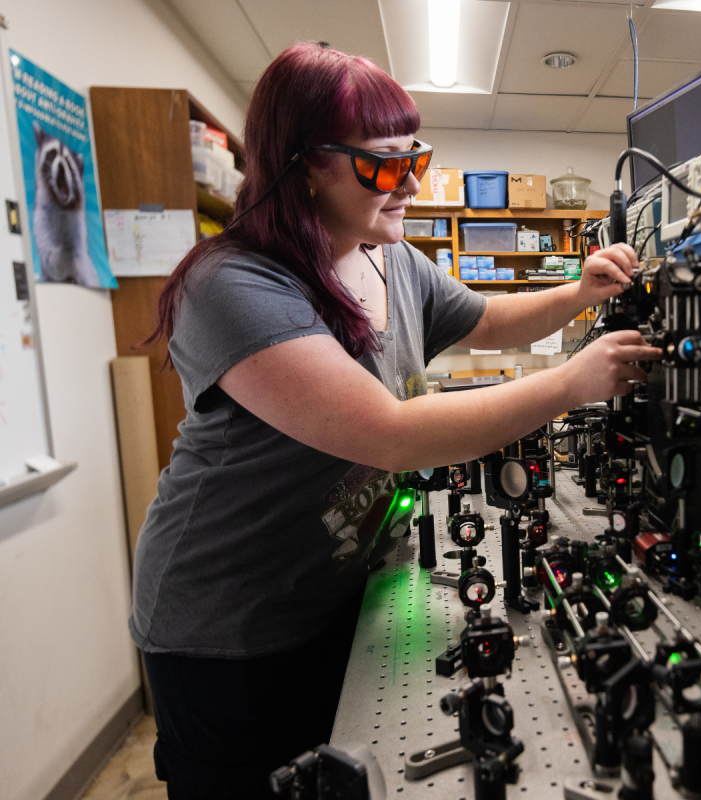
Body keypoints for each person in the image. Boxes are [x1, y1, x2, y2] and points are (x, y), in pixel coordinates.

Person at [129, 42, 660, 798]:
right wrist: (571, 383)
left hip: (331, 582)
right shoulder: (234, 286)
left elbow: (490, 318)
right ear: (308, 162)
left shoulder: (391, 257)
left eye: (417, 156)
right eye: (384, 164)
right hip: (229, 625)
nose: (412, 180)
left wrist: (578, 292)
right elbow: (389, 431)